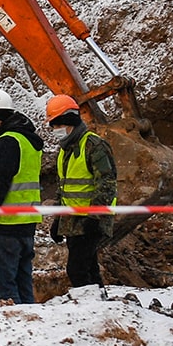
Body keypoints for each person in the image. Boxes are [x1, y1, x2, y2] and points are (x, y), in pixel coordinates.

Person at [0, 89, 41, 303]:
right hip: (27, 224)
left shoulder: (8, 142)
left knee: (5, 293)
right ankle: (31, 331)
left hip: (6, 227)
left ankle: (11, 333)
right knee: (23, 287)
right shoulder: (28, 141)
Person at [47, 94, 118, 289]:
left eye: (56, 125)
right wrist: (58, 220)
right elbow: (63, 189)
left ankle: (88, 307)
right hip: (73, 220)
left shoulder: (93, 146)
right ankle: (99, 305)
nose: (55, 131)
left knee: (77, 269)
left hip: (90, 220)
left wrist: (94, 218)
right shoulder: (65, 151)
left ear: (68, 122)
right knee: (88, 268)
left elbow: (107, 183)